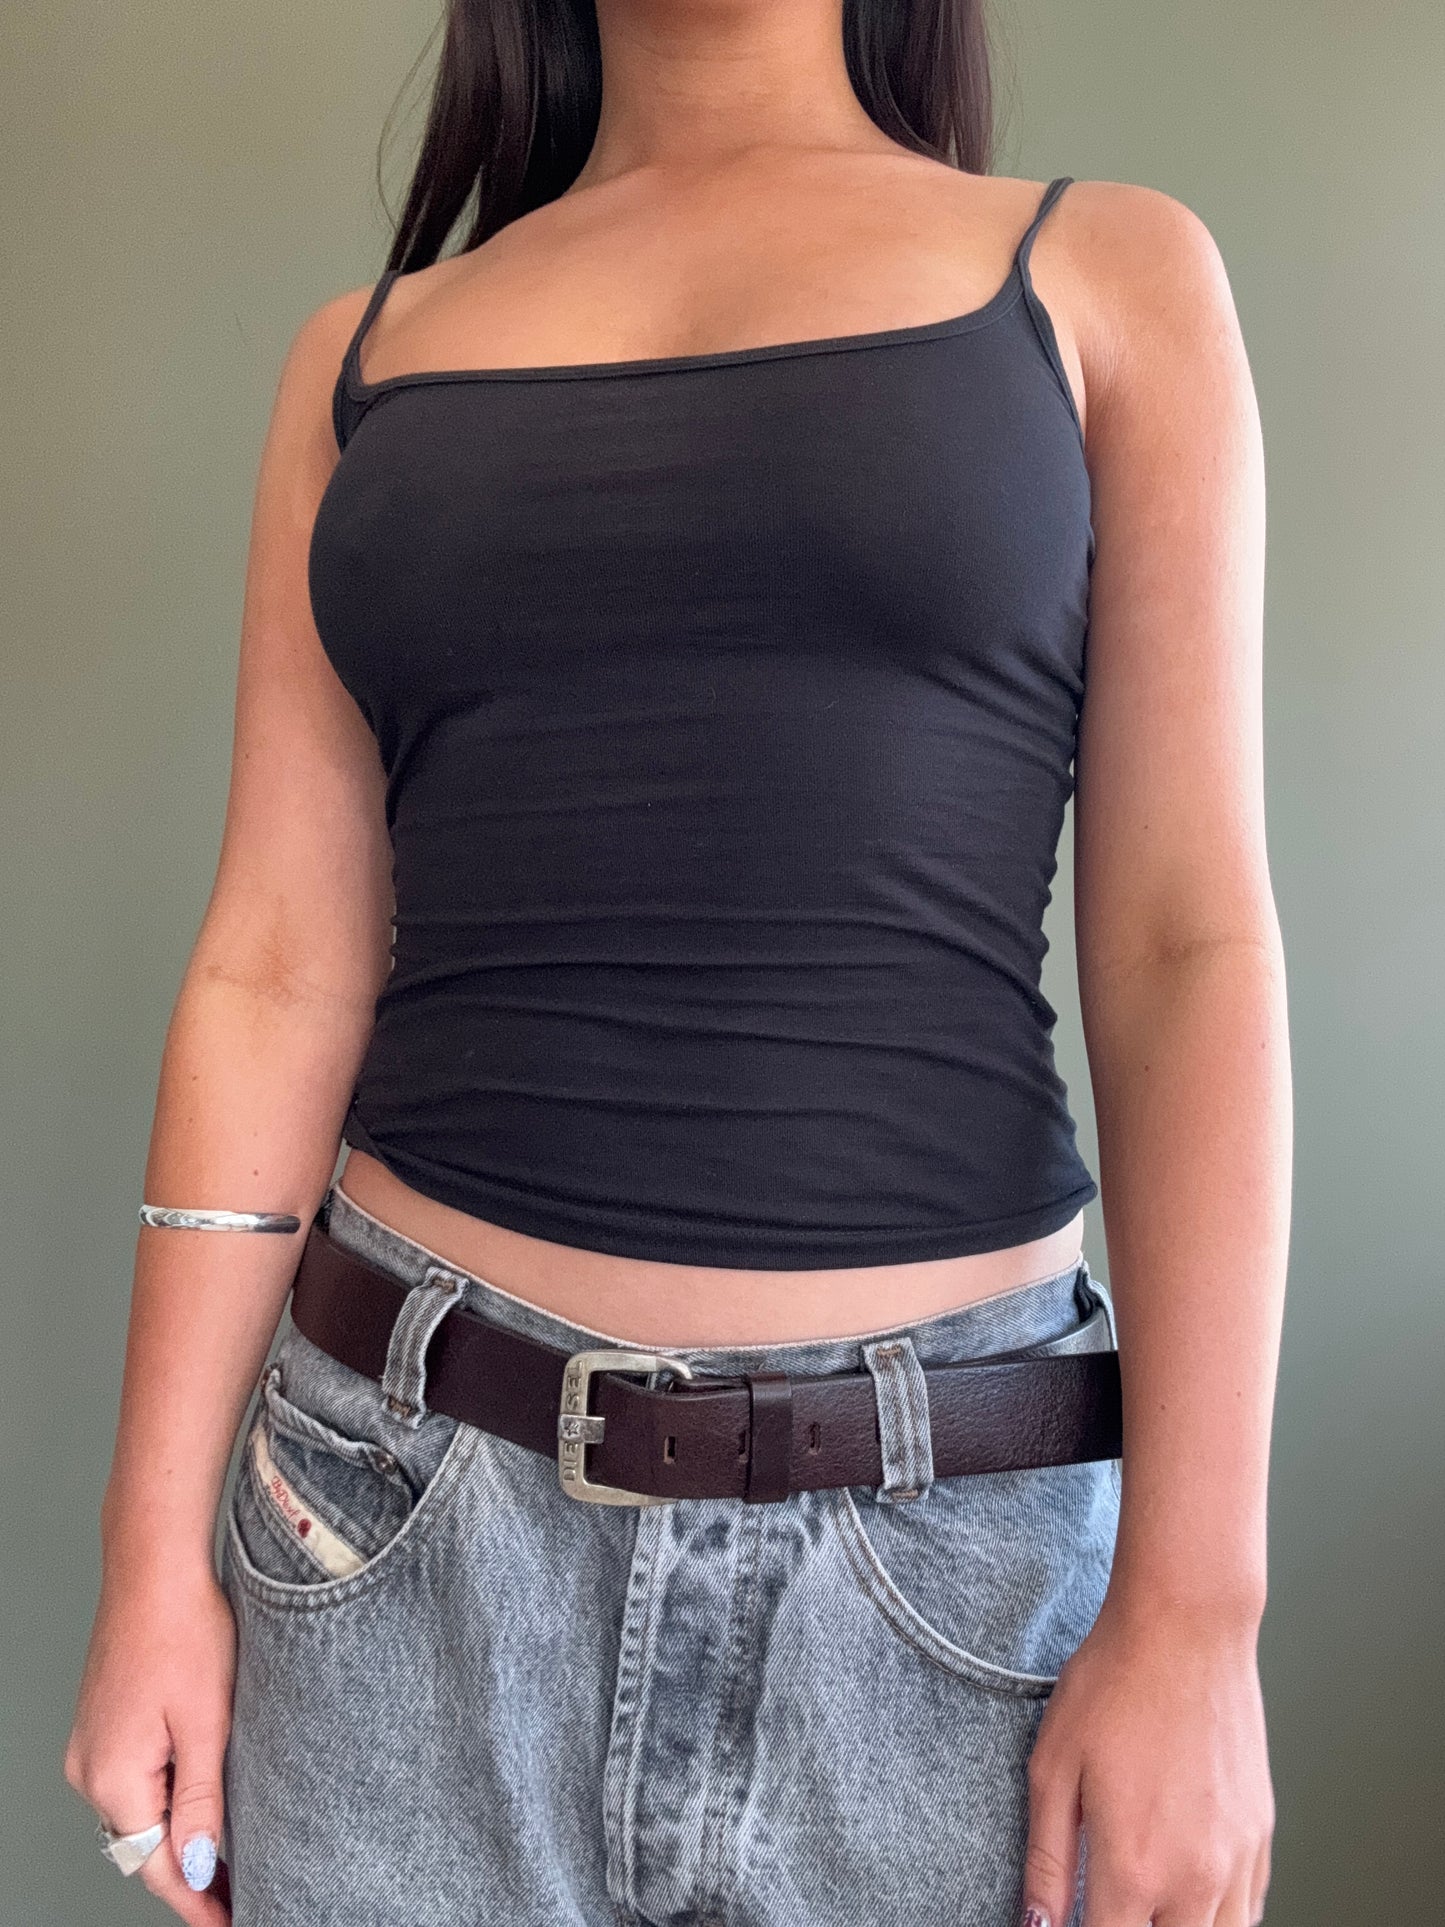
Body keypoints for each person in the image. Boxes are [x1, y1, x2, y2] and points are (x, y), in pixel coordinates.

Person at [64, 2, 1287, 1924]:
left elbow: (1183, 946)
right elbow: (276, 967)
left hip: (952, 1577)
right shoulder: (358, 363)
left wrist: (1198, 1612)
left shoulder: (1103, 275)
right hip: (395, 1529)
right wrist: (149, 1561)